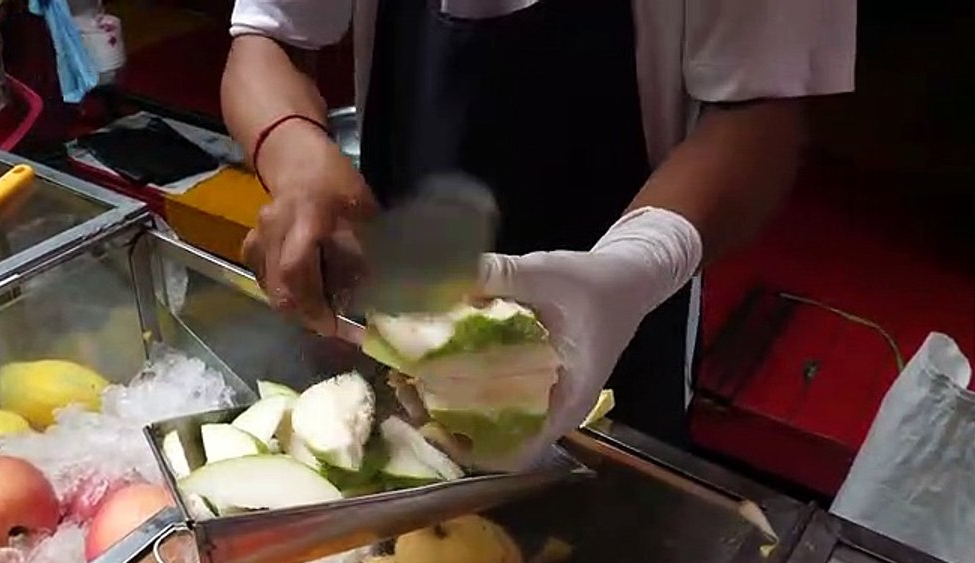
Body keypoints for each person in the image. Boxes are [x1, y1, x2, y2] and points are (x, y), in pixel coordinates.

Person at [221, 1, 856, 450]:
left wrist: (632, 267)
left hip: (620, 332)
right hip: (395, 321)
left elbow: (762, 113)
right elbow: (264, 40)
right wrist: (298, 158)